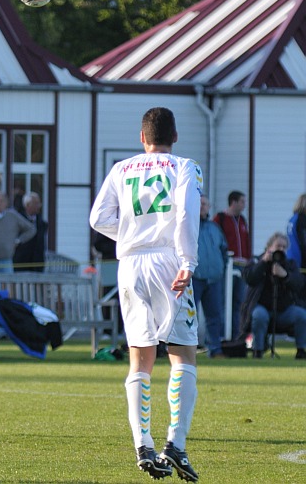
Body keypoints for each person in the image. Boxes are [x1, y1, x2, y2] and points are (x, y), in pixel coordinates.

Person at [90, 107, 202, 482]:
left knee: (140, 358)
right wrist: (187, 261)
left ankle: (143, 444)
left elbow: (98, 218)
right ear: (175, 136)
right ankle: (177, 443)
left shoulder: (122, 168)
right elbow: (186, 214)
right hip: (168, 259)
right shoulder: (184, 166)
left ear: (142, 138)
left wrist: (129, 236)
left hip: (130, 264)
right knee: (182, 352)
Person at [240, 232, 306, 359]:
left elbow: (299, 283)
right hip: (262, 307)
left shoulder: (290, 264)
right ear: (269, 247)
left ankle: (301, 350)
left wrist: (285, 275)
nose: (281, 250)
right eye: (278, 246)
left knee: (301, 315)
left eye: (284, 247)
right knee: (259, 315)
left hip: (283, 310)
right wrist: (263, 263)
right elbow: (250, 278)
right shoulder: (256, 260)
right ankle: (257, 351)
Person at [192, 195, 228, 358]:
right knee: (189, 316)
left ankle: (215, 349)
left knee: (215, 316)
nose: (202, 207)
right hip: (193, 278)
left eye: (205, 204)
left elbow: (223, 250)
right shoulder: (187, 226)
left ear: (209, 206)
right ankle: (188, 349)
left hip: (213, 279)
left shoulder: (215, 228)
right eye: (199, 204)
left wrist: (220, 269)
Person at [213, 190, 250, 338]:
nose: (244, 205)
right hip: (227, 267)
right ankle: (222, 335)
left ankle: (236, 335)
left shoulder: (242, 220)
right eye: (242, 201)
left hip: (241, 268)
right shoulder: (220, 219)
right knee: (223, 300)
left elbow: (245, 242)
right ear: (233, 202)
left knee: (238, 302)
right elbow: (215, 242)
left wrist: (247, 259)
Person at [0, 190, 35, 277]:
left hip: (6, 260)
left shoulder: (12, 216)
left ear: (6, 203)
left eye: (1, 201)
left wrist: (18, 240)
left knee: (7, 288)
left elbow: (31, 229)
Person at [13, 191, 48, 273]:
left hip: (37, 263)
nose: (39, 206)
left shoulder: (41, 222)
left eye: (39, 203)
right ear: (27, 205)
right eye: (36, 203)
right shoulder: (18, 220)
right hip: (21, 262)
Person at [285, 193, 306, 273]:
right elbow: (303, 242)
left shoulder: (293, 218)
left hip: (291, 257)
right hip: (301, 260)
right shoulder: (302, 220)